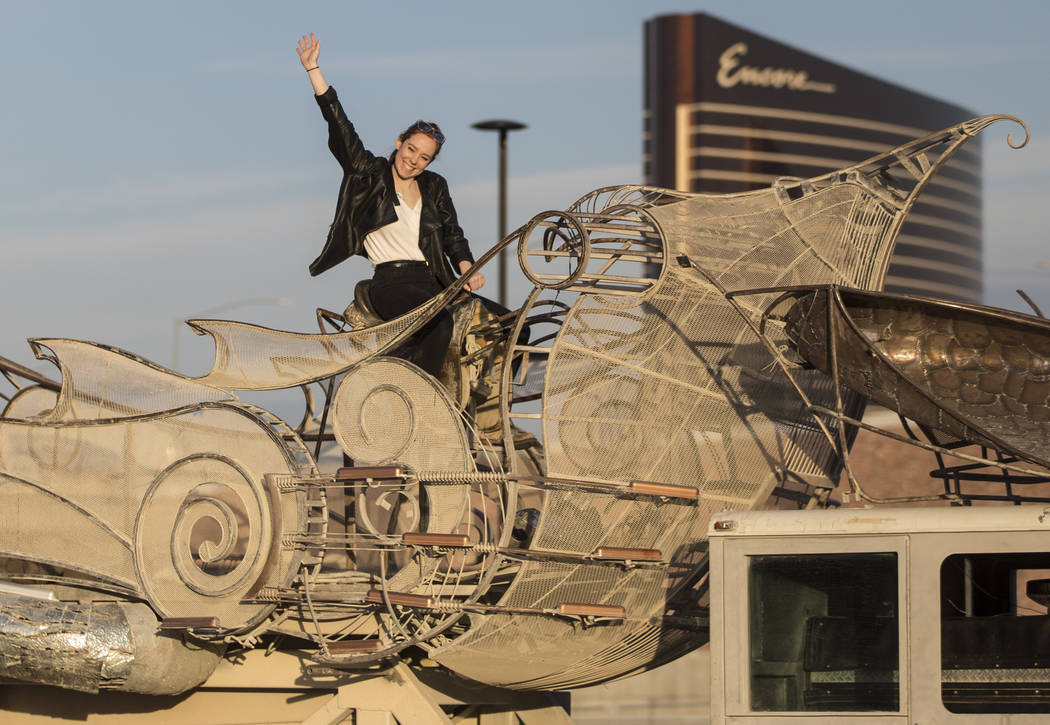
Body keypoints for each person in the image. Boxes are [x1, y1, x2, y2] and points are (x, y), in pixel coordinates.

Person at [297, 33, 484, 377]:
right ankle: (417, 398)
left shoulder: (434, 186)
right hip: (391, 283)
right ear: (399, 143)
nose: (414, 161)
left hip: (435, 280)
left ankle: (489, 414)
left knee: (506, 326)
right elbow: (341, 129)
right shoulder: (370, 175)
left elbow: (453, 234)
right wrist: (314, 71)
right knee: (439, 325)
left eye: (424, 158)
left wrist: (466, 265)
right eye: (411, 149)